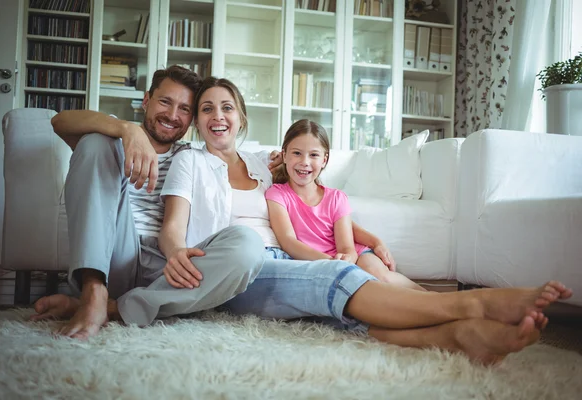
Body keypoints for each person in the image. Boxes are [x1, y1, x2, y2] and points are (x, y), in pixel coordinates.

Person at [158, 75, 572, 365]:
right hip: (241, 269)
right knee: (334, 279)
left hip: (282, 265)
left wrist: (362, 238)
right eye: (207, 108)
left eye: (227, 107)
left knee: (339, 315)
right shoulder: (190, 161)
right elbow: (174, 227)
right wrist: (176, 252)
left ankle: (456, 336)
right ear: (196, 121)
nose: (218, 116)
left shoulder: (261, 165)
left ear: (241, 117)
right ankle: (471, 303)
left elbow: (311, 193)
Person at [31, 66, 278, 339]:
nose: (172, 115)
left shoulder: (192, 155)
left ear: (192, 119)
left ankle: (113, 308)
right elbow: (60, 122)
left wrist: (279, 161)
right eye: (165, 102)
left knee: (247, 244)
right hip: (115, 251)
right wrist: (127, 130)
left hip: (165, 266)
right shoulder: (115, 135)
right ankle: (93, 291)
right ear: (146, 100)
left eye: (184, 109)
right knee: (94, 143)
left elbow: (236, 154)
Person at [266, 119, 425, 291]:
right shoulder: (276, 194)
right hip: (324, 262)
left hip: (353, 257)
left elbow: (347, 247)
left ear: (324, 160)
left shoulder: (336, 197)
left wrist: (347, 259)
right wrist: (331, 264)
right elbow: (288, 242)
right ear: (284, 155)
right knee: (368, 292)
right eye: (297, 153)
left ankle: (437, 300)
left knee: (380, 278)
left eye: (313, 155)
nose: (305, 161)